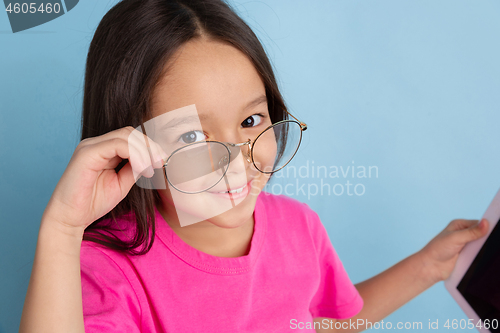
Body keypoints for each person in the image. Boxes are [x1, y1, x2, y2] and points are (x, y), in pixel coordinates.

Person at [19, 0, 490, 332]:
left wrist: (428, 266)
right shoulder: (110, 269)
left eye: (250, 120)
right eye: (192, 136)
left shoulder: (298, 228)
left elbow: (320, 325)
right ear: (133, 147)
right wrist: (62, 228)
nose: (240, 159)